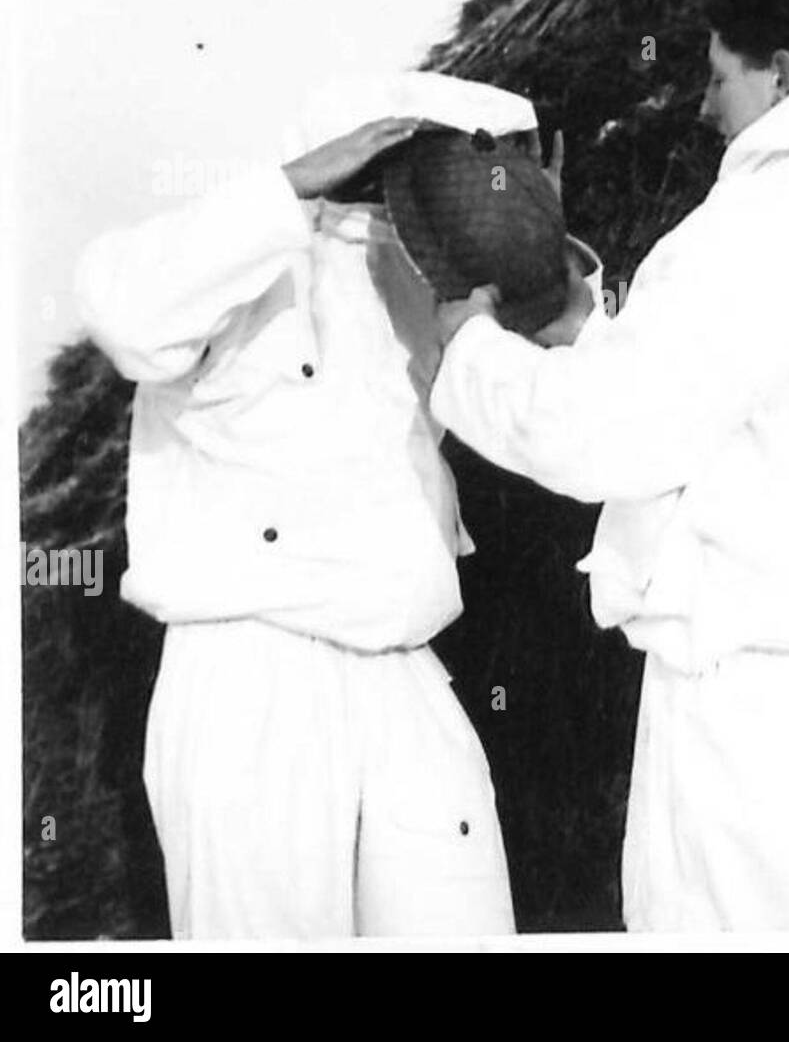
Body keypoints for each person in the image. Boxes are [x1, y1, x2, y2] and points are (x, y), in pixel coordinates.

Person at [429, 0, 789, 931]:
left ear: (786, 77)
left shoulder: (755, 236)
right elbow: (734, 429)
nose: (706, 107)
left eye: (721, 77)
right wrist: (592, 340)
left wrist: (462, 349)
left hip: (758, 747)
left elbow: (604, 439)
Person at [74, 73, 545, 939]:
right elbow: (119, 308)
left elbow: (555, 343)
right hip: (252, 680)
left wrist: (536, 235)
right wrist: (288, 187)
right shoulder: (240, 255)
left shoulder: (432, 282)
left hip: (404, 670)